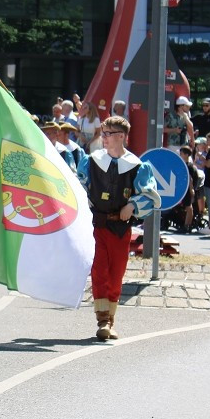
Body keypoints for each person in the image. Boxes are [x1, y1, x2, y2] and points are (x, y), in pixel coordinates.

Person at [76, 116, 160, 341]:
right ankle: (102, 320)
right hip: (96, 226)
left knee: (116, 274)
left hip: (121, 228)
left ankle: (110, 319)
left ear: (121, 136)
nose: (103, 137)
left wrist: (132, 205)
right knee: (99, 270)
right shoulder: (91, 161)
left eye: (108, 134)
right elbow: (78, 186)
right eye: (103, 133)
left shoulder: (137, 166)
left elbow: (150, 196)